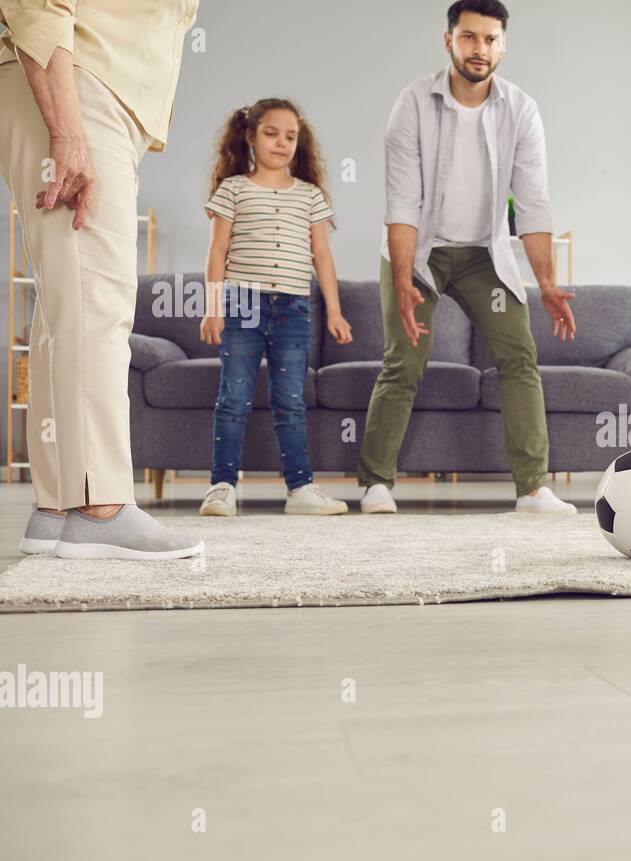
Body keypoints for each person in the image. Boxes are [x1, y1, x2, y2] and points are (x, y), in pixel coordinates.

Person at [356, 0, 578, 515]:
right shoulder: (411, 103)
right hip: (421, 253)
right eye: (470, 37)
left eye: (491, 39)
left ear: (503, 44)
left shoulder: (521, 109)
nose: (481, 49)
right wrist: (408, 274)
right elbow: (401, 201)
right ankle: (375, 483)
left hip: (485, 258)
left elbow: (533, 201)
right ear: (449, 41)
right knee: (404, 360)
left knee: (519, 357)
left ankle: (532, 488)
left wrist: (545, 282)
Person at [1, 0, 205, 560]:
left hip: (84, 88)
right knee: (97, 301)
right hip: (76, 86)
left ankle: (60, 505)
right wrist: (67, 130)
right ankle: (102, 507)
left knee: (68, 303)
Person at [198, 99, 353, 517]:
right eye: (271, 133)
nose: (281, 143)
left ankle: (300, 488)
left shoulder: (310, 196)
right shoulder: (232, 189)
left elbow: (322, 256)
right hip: (241, 304)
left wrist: (335, 312)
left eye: (290, 136)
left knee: (290, 401)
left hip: (293, 309)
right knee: (234, 397)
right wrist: (213, 309)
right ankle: (222, 486)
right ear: (249, 136)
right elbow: (218, 251)